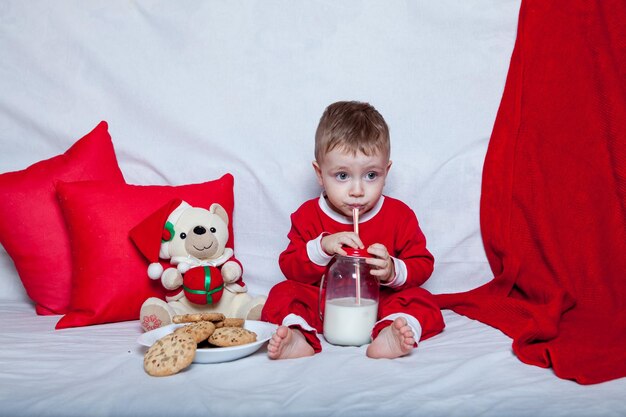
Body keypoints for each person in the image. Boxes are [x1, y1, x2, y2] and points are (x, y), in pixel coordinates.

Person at [261, 100, 444, 359]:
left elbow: (423, 263)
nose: (357, 191)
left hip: (383, 302)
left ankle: (392, 332)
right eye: (342, 176)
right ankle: (298, 334)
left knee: (423, 299)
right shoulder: (307, 216)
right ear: (320, 173)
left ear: (386, 171)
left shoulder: (399, 215)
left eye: (371, 175)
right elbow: (289, 266)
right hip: (324, 308)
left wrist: (393, 269)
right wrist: (321, 247)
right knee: (282, 293)